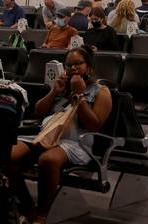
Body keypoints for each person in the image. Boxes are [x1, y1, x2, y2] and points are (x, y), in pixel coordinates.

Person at [8, 46, 112, 224]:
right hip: (46, 135)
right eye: (69, 65)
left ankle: (41, 215)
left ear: (89, 66)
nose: (73, 68)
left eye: (78, 64)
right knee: (6, 154)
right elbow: (38, 112)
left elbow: (94, 125)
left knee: (48, 160)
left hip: (76, 141)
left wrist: (79, 95)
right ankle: (28, 207)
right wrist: (54, 91)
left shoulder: (101, 92)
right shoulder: (63, 87)